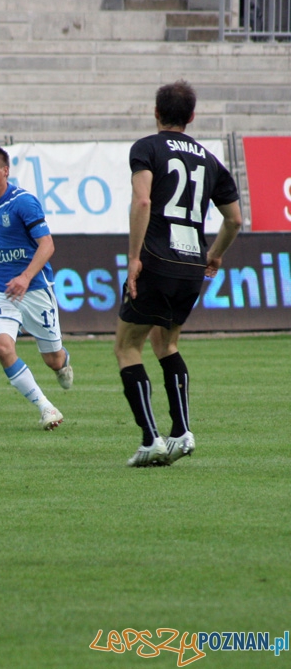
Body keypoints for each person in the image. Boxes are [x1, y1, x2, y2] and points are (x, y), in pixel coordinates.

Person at [115, 80, 242, 467]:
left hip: (157, 257)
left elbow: (142, 200)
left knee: (126, 346)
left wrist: (134, 257)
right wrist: (215, 255)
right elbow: (235, 219)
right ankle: (182, 432)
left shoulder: (147, 147)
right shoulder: (209, 159)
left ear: (156, 113)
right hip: (191, 263)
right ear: (191, 117)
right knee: (166, 344)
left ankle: (151, 439)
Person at [0, 145, 72, 430]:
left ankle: (63, 362)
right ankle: (45, 407)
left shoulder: (24, 202)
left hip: (34, 288)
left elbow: (47, 245)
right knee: (2, 348)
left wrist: (25, 277)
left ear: (5, 170)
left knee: (52, 360)